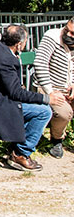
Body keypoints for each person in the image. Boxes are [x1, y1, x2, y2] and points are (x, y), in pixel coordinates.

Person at [0, 23, 58, 171]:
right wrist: (46, 99)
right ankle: (20, 154)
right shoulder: (7, 59)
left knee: (33, 109)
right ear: (19, 44)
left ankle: (17, 147)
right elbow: (16, 93)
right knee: (44, 111)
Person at [34, 18, 74, 158]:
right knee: (64, 112)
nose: (68, 35)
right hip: (48, 88)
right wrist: (50, 92)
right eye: (66, 30)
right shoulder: (52, 36)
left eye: (72, 33)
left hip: (68, 88)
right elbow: (40, 64)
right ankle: (57, 140)